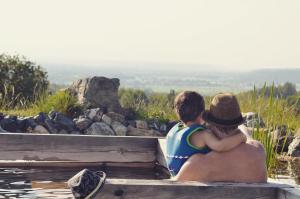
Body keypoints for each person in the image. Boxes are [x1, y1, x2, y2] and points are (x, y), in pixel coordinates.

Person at [174, 94, 267, 183]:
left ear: (211, 125)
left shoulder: (197, 164)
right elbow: (246, 135)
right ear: (237, 124)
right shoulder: (258, 151)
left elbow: (171, 189)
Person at [166, 91, 247, 176]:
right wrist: (241, 137)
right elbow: (220, 146)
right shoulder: (202, 134)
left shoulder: (175, 130)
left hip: (174, 174)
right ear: (202, 114)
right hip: (190, 178)